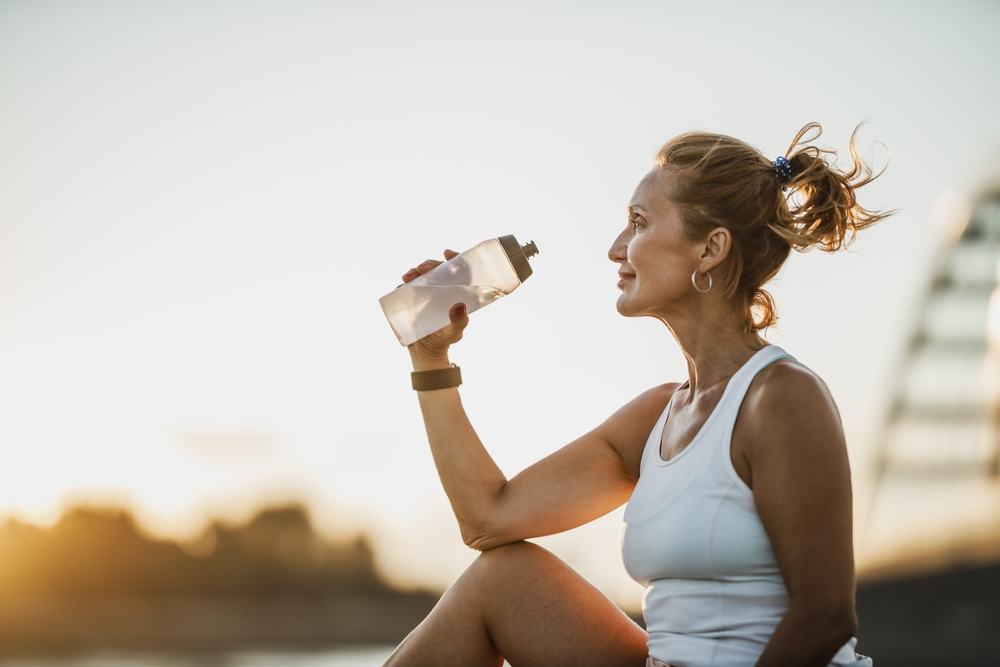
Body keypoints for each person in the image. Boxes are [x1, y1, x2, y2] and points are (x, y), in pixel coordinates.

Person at [383, 123, 890, 667]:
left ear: (711, 248)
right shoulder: (656, 418)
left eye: (639, 223)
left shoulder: (782, 399)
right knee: (500, 578)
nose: (614, 249)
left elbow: (825, 615)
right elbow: (487, 519)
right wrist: (430, 359)